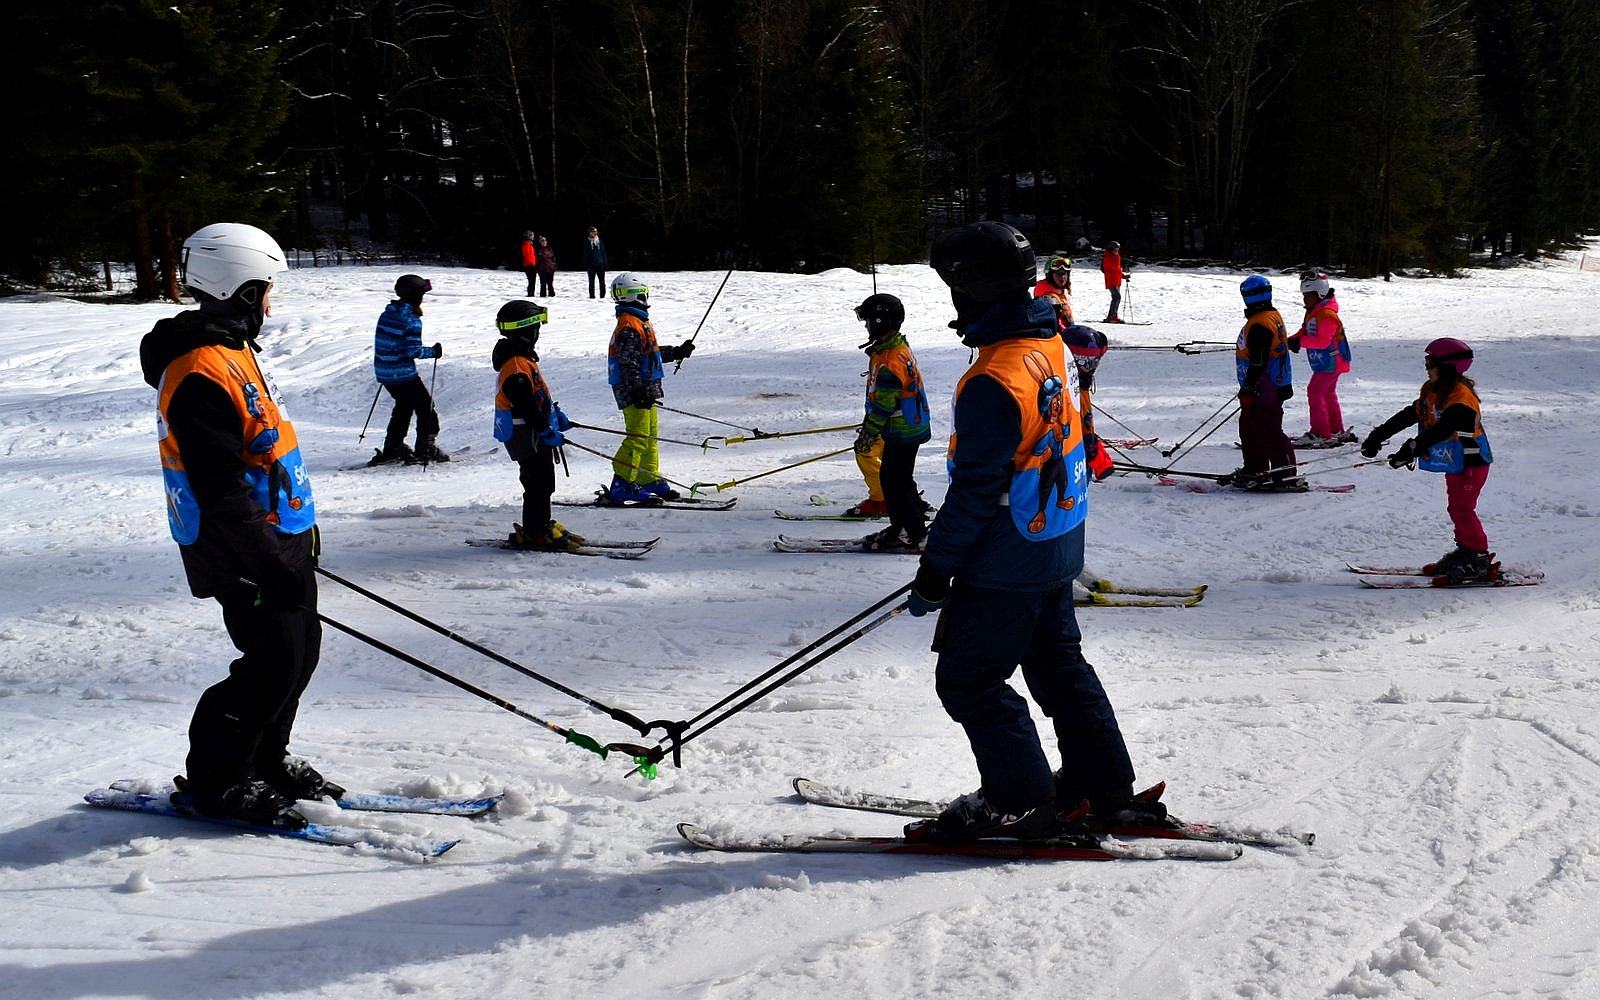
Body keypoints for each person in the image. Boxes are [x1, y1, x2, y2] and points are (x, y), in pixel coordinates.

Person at [903, 221, 1145, 843]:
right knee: (1060, 666)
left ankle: (1018, 800)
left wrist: (938, 567)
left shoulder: (994, 377)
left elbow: (978, 487)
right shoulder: (1051, 343)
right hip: (1056, 542)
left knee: (970, 679)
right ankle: (1102, 783)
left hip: (1008, 556)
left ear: (971, 291)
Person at [139, 222, 337, 830]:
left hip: (277, 535)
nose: (271, 303)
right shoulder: (200, 369)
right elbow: (219, 484)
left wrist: (295, 537)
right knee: (272, 657)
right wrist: (266, 560)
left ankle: (264, 760)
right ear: (242, 289)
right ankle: (219, 780)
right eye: (266, 289)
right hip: (238, 546)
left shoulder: (231, 350)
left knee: (301, 652)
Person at [1361, 338, 1495, 583]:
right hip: (1455, 462)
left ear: (1447, 366)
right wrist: (1378, 435)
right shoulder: (1434, 390)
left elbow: (1442, 429)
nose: (1426, 365)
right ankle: (1466, 550)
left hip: (1472, 462)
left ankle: (1478, 559)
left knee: (1462, 509)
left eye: (1430, 361)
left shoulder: (1461, 398)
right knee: (1456, 507)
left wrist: (1410, 449)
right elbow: (1409, 415)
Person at [491, 300, 581, 551]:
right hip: (525, 432)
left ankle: (539, 524)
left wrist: (555, 415)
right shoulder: (517, 365)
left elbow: (535, 397)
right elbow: (525, 404)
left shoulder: (521, 359)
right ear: (525, 330)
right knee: (537, 482)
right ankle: (534, 531)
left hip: (531, 430)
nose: (538, 333)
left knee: (542, 481)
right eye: (536, 327)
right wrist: (544, 428)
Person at [850, 293, 932, 550]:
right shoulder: (893, 348)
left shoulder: (889, 362)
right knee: (898, 479)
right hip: (909, 426)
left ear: (880, 322)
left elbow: (883, 407)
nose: (866, 326)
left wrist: (868, 435)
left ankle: (914, 533)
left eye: (868, 321)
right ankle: (904, 527)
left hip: (902, 430)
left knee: (894, 482)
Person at [606, 272, 695, 501]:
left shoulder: (638, 321)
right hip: (636, 391)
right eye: (643, 292)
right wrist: (637, 391)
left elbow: (649, 354)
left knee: (650, 435)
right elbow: (628, 364)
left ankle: (647, 477)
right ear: (634, 294)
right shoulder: (629, 325)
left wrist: (676, 351)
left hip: (645, 389)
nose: (646, 297)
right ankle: (622, 483)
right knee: (638, 436)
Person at [1226, 275, 1302, 491]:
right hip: (1265, 385)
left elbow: (1259, 362)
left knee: (1268, 430)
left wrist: (1250, 386)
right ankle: (1256, 468)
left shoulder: (1260, 323)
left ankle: (1284, 473)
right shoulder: (1268, 316)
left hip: (1267, 387)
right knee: (1249, 427)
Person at [371, 274, 448, 465]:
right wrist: (433, 352)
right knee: (426, 408)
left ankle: (393, 447)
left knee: (404, 406)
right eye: (422, 293)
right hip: (402, 373)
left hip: (384, 371)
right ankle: (426, 447)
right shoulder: (411, 320)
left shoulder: (388, 312)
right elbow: (412, 350)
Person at [1287, 269, 1355, 447]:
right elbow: (1306, 330)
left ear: (1320, 294)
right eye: (1304, 295)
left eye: (1308, 295)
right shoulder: (1314, 311)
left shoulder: (1327, 315)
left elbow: (1322, 342)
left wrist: (1299, 342)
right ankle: (1335, 429)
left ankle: (1320, 432)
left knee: (1315, 391)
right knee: (1327, 393)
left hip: (1332, 361)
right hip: (1327, 362)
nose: (1305, 299)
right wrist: (1291, 340)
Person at [1099, 241, 1130, 323]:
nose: (1117, 251)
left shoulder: (1115, 257)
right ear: (1111, 249)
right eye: (1115, 249)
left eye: (1118, 249)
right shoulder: (1108, 257)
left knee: (1116, 298)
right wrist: (1118, 260)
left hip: (1116, 280)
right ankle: (1112, 316)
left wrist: (1123, 276)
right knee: (1117, 297)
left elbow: (1117, 270)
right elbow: (1114, 267)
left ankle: (1112, 316)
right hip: (1111, 280)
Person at [583, 227, 609, 299]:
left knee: (602, 282)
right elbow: (585, 254)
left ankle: (602, 296)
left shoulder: (599, 241)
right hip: (591, 265)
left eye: (595, 232)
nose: (593, 233)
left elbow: (603, 252)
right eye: (592, 232)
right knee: (591, 282)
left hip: (600, 264)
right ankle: (592, 296)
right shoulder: (587, 242)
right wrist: (587, 264)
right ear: (589, 233)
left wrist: (605, 263)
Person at [519, 231, 539, 296]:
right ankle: (530, 293)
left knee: (533, 280)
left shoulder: (530, 244)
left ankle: (531, 293)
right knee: (531, 280)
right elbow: (527, 255)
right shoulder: (526, 244)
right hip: (529, 265)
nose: (533, 236)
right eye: (531, 235)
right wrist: (531, 264)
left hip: (532, 264)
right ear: (528, 236)